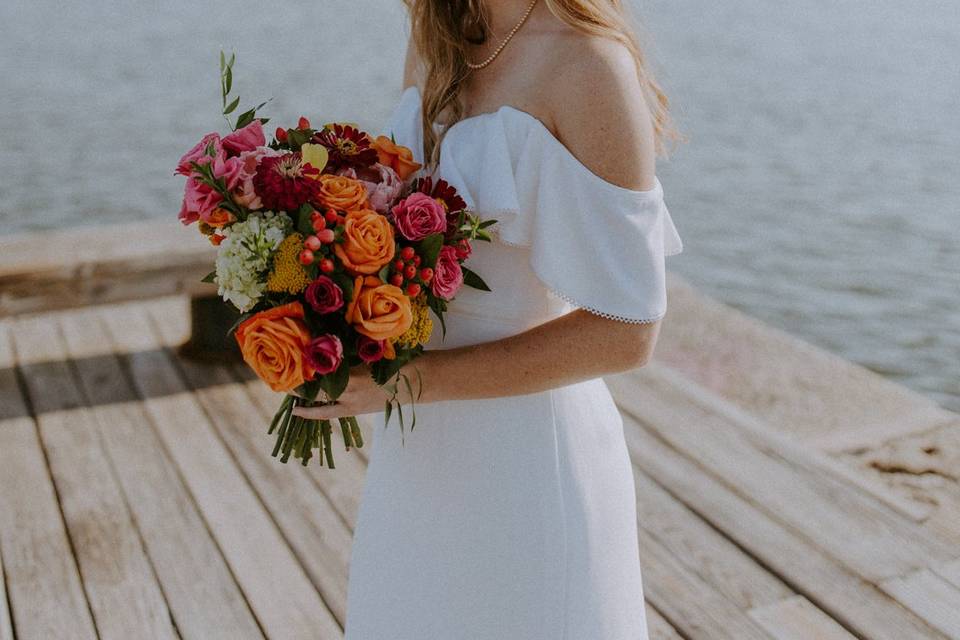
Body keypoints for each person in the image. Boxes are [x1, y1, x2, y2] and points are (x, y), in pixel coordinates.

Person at [292, 0, 684, 637]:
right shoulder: (433, 35)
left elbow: (628, 332)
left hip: (528, 458)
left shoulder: (589, 64)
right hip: (417, 452)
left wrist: (406, 381)